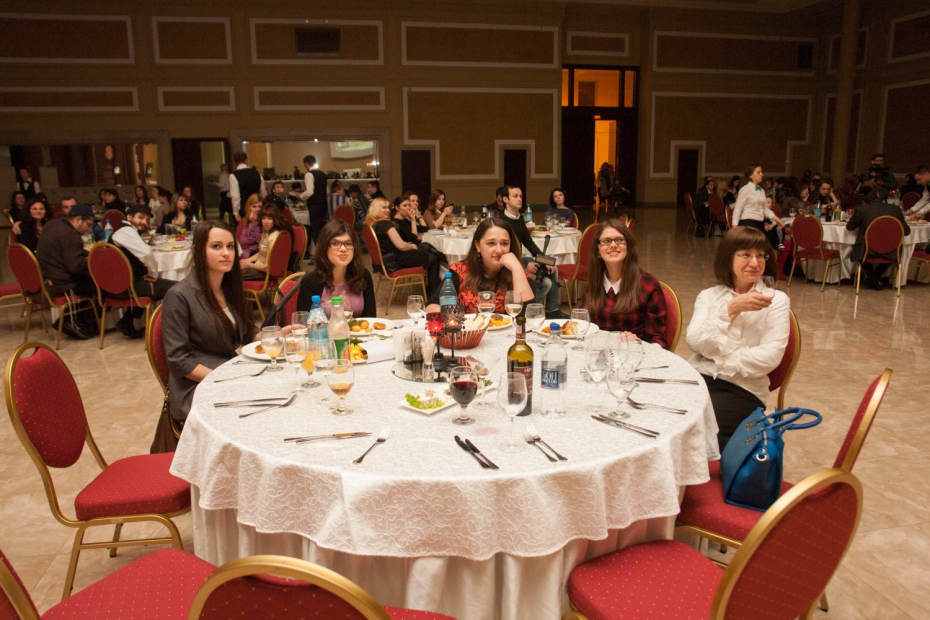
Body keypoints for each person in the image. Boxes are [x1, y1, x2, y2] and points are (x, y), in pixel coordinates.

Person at [686, 226, 789, 450]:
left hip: (743, 389)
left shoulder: (776, 300)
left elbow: (769, 358)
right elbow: (695, 342)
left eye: (760, 255)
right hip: (699, 379)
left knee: (701, 431)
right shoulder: (709, 296)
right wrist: (730, 310)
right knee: (661, 415)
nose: (755, 262)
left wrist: (717, 357)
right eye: (746, 255)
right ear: (728, 258)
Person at [162, 221, 260, 424]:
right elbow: (179, 361)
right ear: (197, 251)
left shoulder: (229, 288)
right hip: (197, 386)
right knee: (259, 412)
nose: (226, 253)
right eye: (216, 246)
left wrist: (277, 336)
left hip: (230, 373)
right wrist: (224, 379)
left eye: (230, 246)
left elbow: (248, 332)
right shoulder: (179, 296)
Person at [583, 219, 667, 347]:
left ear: (628, 246)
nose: (613, 245)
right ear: (598, 250)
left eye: (619, 240)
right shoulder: (593, 282)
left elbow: (658, 340)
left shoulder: (648, 285)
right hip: (597, 352)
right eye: (606, 241)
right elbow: (583, 325)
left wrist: (637, 343)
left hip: (634, 354)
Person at [425, 217, 534, 314]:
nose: (499, 250)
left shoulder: (519, 274)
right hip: (468, 329)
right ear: (477, 246)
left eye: (504, 243)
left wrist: (517, 269)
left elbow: (527, 316)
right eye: (491, 243)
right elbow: (430, 306)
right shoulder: (460, 270)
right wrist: (455, 315)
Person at [495, 186, 568, 319]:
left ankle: (552, 309)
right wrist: (525, 265)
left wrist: (545, 261)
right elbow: (504, 253)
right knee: (546, 283)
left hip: (520, 259)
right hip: (509, 264)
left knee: (553, 268)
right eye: (515, 196)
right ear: (505, 199)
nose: (519, 199)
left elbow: (529, 243)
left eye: (520, 196)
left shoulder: (519, 218)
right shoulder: (502, 222)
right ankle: (527, 311)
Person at [110, 205, 178, 337]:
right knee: (178, 288)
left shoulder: (123, 230)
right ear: (129, 217)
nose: (144, 222)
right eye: (140, 218)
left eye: (146, 220)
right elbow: (146, 253)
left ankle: (126, 321)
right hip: (127, 287)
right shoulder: (126, 231)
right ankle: (170, 330)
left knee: (148, 282)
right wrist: (152, 274)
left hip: (121, 284)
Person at [35, 204, 98, 341]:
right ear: (78, 219)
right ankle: (72, 321)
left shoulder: (52, 225)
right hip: (63, 284)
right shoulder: (71, 235)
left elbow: (66, 252)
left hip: (48, 278)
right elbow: (76, 267)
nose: (89, 229)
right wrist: (95, 260)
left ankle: (73, 320)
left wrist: (89, 254)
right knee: (105, 285)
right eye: (88, 224)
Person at [297, 220, 376, 317]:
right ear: (324, 247)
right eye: (335, 243)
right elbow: (304, 323)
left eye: (348, 243)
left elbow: (371, 318)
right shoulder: (311, 282)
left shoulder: (363, 275)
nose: (343, 249)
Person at [366, 197, 440, 296]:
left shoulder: (375, 225)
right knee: (434, 258)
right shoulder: (386, 224)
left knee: (427, 249)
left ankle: (433, 290)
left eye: (388, 207)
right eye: (383, 208)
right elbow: (401, 245)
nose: (387, 210)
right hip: (397, 260)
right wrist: (412, 246)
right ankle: (433, 292)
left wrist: (407, 245)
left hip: (388, 260)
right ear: (375, 209)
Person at [847, 183, 911, 290]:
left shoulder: (862, 210)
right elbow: (907, 231)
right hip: (892, 250)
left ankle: (873, 279)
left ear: (864, 200)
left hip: (867, 250)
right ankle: (876, 279)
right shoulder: (895, 209)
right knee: (891, 253)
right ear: (878, 195)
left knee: (858, 250)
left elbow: (849, 227)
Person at [731, 164, 785, 249]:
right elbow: (737, 210)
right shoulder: (745, 190)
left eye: (761, 172)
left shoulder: (761, 190)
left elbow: (765, 209)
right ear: (751, 175)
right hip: (748, 224)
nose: (761, 174)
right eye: (758, 172)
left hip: (759, 224)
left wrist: (777, 220)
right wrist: (734, 229)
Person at [240, 203, 288, 280]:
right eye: (263, 218)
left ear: (274, 220)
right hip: (258, 266)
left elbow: (268, 268)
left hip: (266, 272)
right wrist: (246, 261)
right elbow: (261, 253)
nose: (266, 222)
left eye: (269, 218)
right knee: (235, 268)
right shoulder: (266, 232)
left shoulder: (273, 237)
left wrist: (249, 264)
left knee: (234, 275)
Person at [299, 154, 329, 244]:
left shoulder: (309, 174)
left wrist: (300, 196)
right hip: (323, 204)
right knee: (322, 229)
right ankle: (324, 248)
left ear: (306, 164)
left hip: (314, 205)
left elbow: (310, 192)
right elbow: (327, 191)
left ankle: (318, 249)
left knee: (315, 230)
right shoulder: (323, 174)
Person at [229, 150, 265, 220]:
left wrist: (236, 212)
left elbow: (235, 196)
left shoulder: (233, 176)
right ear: (246, 160)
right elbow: (263, 191)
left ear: (235, 162)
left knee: (246, 225)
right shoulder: (257, 173)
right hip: (258, 206)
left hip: (244, 208)